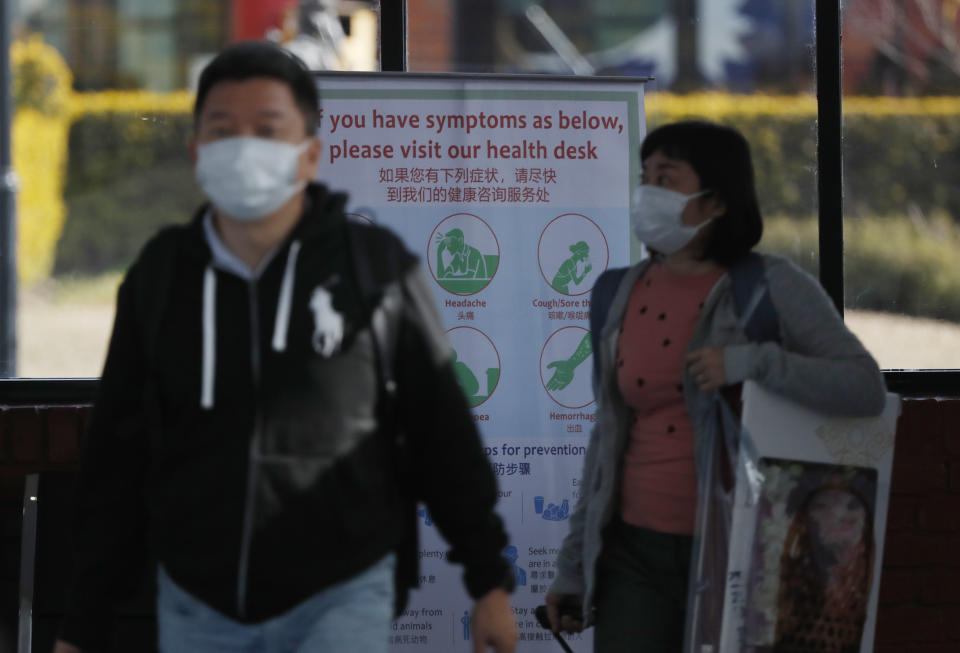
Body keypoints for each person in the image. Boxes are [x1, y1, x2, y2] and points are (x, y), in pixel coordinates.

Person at [54, 41, 517, 653]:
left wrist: (488, 581)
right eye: (224, 130)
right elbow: (117, 450)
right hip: (199, 597)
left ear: (309, 156)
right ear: (196, 152)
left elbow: (440, 429)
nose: (245, 147)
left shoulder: (372, 269)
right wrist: (83, 621)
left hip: (341, 591)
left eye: (268, 130)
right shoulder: (163, 275)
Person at [544, 120, 886, 652]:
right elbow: (607, 438)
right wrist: (573, 568)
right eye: (645, 176)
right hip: (634, 555)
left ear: (717, 203)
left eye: (667, 178)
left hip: (741, 554)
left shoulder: (770, 286)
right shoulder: (615, 291)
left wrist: (755, 363)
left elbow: (864, 387)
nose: (647, 193)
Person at [775, 481, 874, 652]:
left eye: (851, 506)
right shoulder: (787, 586)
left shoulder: (868, 590)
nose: (839, 514)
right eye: (822, 506)